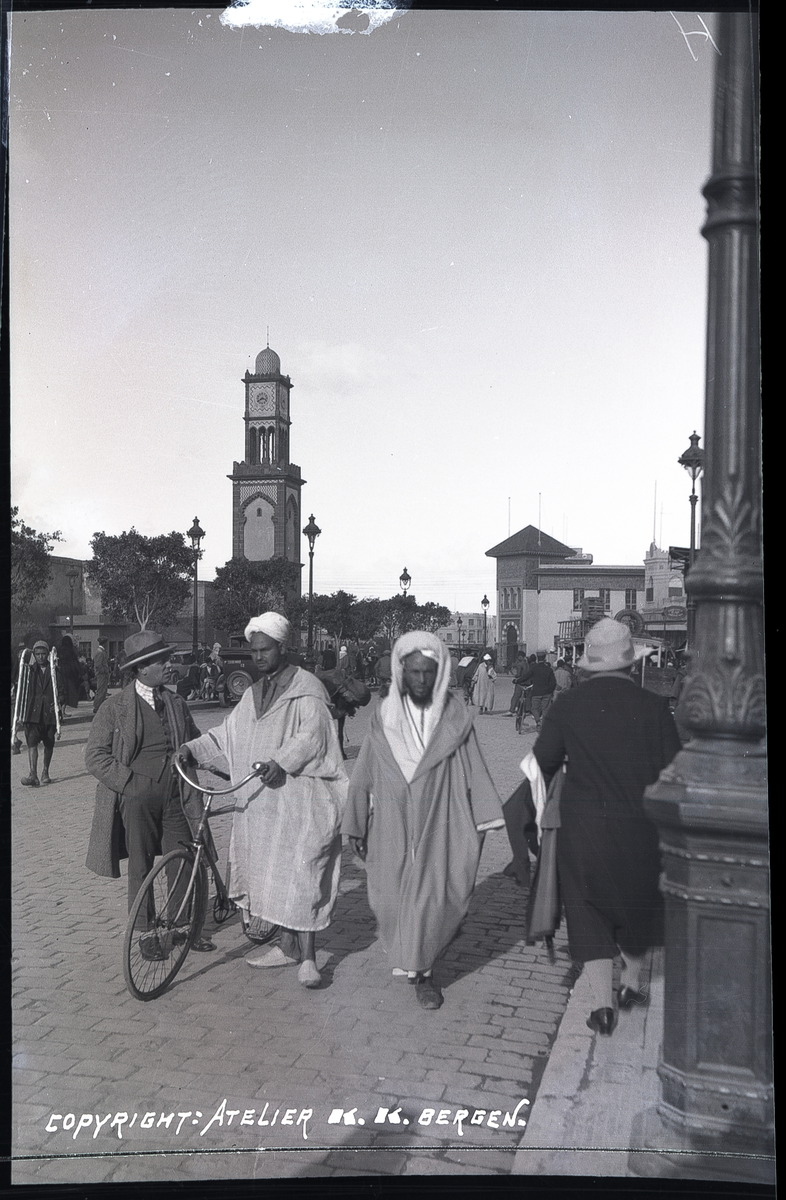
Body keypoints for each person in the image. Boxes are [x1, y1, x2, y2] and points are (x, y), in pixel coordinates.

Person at [179, 612, 348, 989]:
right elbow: (229, 733)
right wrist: (192, 748)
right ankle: (286, 948)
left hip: (301, 798)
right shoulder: (254, 692)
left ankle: (308, 958)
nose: (258, 657)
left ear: (282, 647)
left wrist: (281, 762)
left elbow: (313, 736)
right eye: (254, 651)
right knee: (275, 876)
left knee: (303, 874)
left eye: (265, 650)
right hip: (265, 803)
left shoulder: (307, 687)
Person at [532, 618, 681, 1036]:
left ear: (587, 667)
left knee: (587, 911)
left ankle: (601, 1007)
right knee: (635, 906)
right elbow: (673, 772)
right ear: (631, 664)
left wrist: (535, 815)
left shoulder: (567, 707)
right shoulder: (655, 707)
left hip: (583, 829)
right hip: (641, 828)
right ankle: (631, 986)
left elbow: (540, 765)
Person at [342, 632, 505, 1010]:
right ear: (402, 672)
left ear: (440, 672)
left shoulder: (454, 717)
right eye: (413, 672)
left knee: (431, 899)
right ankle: (410, 950)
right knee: (388, 898)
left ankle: (424, 974)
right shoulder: (383, 717)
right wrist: (354, 822)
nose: (420, 680)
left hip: (440, 817)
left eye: (427, 673)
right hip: (390, 818)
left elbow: (475, 769)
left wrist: (484, 816)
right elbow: (364, 768)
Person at [85, 630, 211, 959]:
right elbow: (94, 756)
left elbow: (196, 744)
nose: (169, 665)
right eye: (162, 661)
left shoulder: (177, 703)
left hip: (177, 795)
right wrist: (129, 783)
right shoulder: (115, 708)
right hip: (136, 798)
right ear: (142, 669)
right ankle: (146, 933)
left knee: (184, 858)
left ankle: (184, 926)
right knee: (140, 864)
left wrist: (220, 763)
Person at [17, 640, 64, 787]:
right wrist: (20, 713)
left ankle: (45, 772)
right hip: (33, 713)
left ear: (48, 655)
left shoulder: (55, 671)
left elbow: (62, 692)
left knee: (49, 744)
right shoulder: (29, 671)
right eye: (38, 654)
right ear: (34, 655)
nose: (41, 657)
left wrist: (57, 705)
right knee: (32, 743)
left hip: (49, 714)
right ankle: (33, 774)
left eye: (44, 654)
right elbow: (22, 692)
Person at [530, 650, 557, 728]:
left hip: (536, 693)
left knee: (534, 708)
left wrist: (517, 680)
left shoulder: (534, 668)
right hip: (546, 693)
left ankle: (538, 721)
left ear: (538, 659)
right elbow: (553, 683)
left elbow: (526, 677)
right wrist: (550, 691)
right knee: (545, 709)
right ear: (545, 659)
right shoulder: (549, 669)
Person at [57, 635, 82, 715]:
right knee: (67, 693)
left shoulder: (59, 651)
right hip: (70, 676)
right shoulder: (71, 651)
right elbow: (75, 664)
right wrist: (80, 672)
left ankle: (59, 710)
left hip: (60, 674)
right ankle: (63, 711)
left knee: (61, 692)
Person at [506, 651, 533, 716]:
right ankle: (527, 710)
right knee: (527, 697)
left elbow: (518, 674)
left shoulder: (520, 664)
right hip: (527, 683)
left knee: (516, 696)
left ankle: (511, 710)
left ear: (520, 656)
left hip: (520, 683)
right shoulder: (527, 664)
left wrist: (515, 676)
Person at [93, 637, 110, 713]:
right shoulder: (100, 652)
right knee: (100, 690)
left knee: (103, 691)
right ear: (104, 643)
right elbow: (98, 665)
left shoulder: (102, 651)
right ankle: (97, 706)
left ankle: (100, 706)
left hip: (103, 674)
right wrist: (104, 671)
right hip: (101, 674)